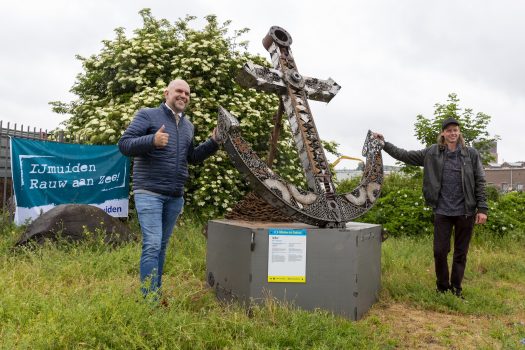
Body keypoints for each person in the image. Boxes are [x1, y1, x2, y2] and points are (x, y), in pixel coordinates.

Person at [118, 79, 219, 297]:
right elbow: (124, 144)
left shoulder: (188, 125)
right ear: (166, 93)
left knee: (161, 247)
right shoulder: (148, 115)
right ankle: (149, 301)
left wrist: (213, 142)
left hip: (174, 196)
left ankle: (155, 293)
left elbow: (191, 157)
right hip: (149, 192)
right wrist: (151, 141)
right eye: (179, 91)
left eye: (187, 93)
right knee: (152, 245)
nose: (183, 96)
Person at [374, 117, 488, 298]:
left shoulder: (470, 154)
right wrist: (384, 144)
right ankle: (442, 288)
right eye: (449, 130)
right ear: (443, 133)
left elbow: (480, 181)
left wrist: (482, 209)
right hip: (442, 211)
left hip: (465, 211)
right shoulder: (432, 153)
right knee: (440, 251)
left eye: (455, 130)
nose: (453, 133)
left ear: (459, 133)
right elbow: (406, 155)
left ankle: (456, 289)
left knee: (461, 253)